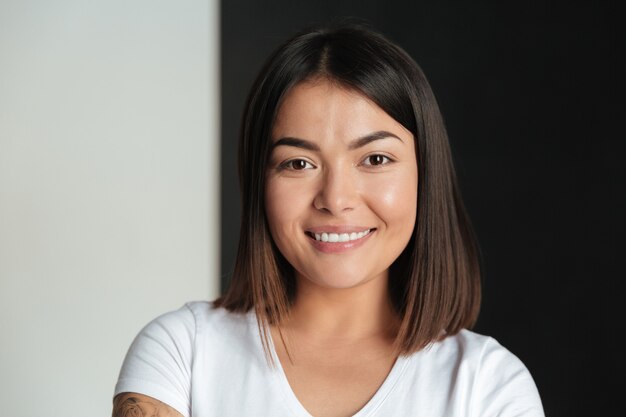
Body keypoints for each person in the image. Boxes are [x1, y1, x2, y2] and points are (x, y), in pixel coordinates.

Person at [112, 22, 544, 417]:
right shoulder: (180, 353)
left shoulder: (489, 386)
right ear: (258, 181)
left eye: (375, 159)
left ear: (425, 174)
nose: (336, 200)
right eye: (298, 164)